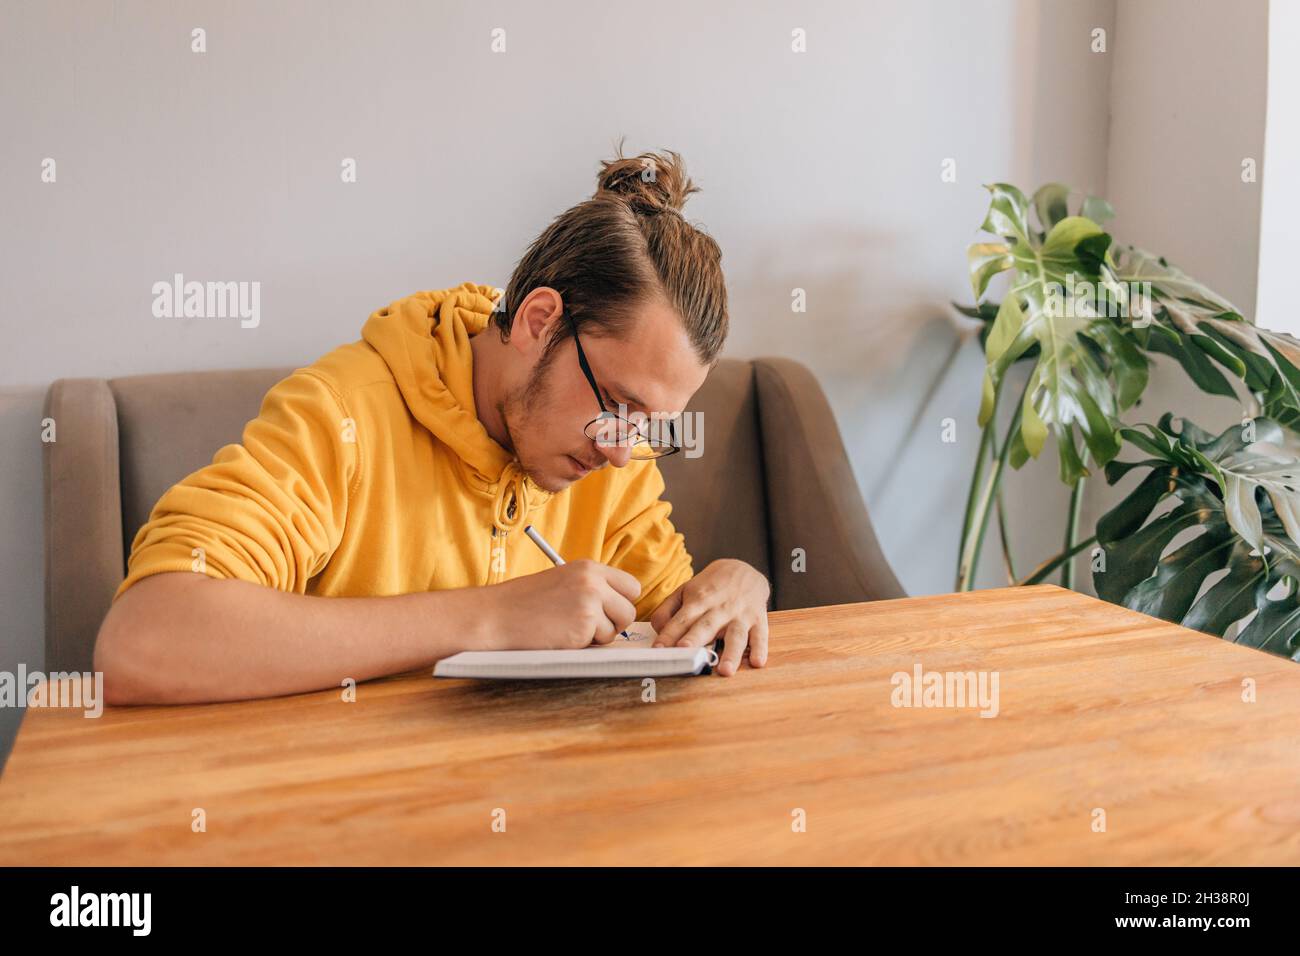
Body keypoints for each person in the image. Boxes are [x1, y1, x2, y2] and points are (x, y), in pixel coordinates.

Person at [95, 145, 771, 704]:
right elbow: (144, 639)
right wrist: (491, 617)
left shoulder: (607, 453)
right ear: (540, 322)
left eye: (650, 426)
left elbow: (672, 622)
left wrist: (741, 582)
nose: (624, 453)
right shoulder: (344, 413)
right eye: (619, 406)